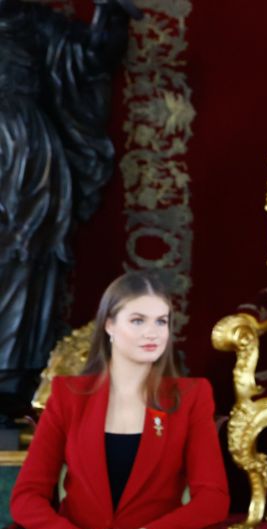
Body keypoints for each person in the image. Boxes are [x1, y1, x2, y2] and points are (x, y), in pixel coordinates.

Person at [9, 271, 230, 529]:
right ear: (109, 325)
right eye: (138, 320)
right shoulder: (67, 396)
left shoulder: (191, 396)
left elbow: (213, 498)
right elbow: (26, 497)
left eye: (161, 321)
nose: (153, 332)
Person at [0, 0, 141, 420]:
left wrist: (107, 17)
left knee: (27, 259)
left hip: (25, 154)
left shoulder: (33, 21)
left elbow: (89, 60)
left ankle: (10, 377)